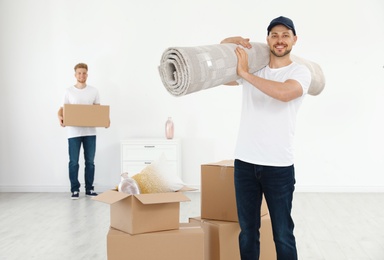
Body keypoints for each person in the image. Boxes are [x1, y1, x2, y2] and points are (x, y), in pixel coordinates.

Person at [221, 16, 311, 259]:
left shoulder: (300, 72)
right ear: (268, 39)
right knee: (248, 231)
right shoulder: (254, 68)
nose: (280, 40)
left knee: (282, 233)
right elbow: (221, 76)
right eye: (274, 35)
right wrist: (227, 44)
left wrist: (245, 73)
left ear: (294, 40)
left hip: (278, 167)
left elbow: (283, 93)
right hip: (245, 164)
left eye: (285, 35)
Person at [58, 63, 105, 200]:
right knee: (74, 162)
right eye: (79, 73)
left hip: (90, 132)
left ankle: (89, 189)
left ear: (87, 74)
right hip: (73, 133)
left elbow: (98, 111)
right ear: (75, 75)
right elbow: (62, 109)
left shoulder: (94, 91)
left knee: (90, 162)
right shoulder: (68, 91)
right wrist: (59, 117)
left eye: (84, 73)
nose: (81, 75)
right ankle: (74, 190)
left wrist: (105, 121)